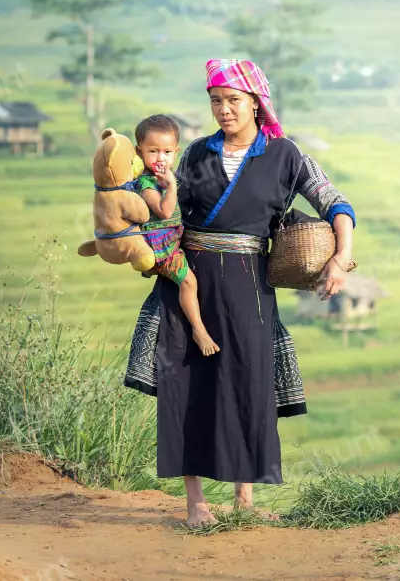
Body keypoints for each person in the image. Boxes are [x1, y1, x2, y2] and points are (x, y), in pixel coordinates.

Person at [124, 58, 356, 528]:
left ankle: (244, 499)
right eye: (215, 101)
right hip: (189, 279)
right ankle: (196, 505)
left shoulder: (286, 155)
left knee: (248, 384)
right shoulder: (194, 154)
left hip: (250, 284)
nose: (223, 110)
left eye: (233, 100)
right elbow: (165, 209)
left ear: (256, 103)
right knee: (185, 386)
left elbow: (335, 202)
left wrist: (341, 257)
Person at [133, 114, 220, 357]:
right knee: (189, 282)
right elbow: (164, 211)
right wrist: (171, 186)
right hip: (162, 247)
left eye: (167, 152)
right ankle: (198, 329)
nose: (161, 158)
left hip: (172, 241)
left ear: (176, 151)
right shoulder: (147, 183)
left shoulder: (163, 178)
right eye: (153, 151)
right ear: (139, 152)